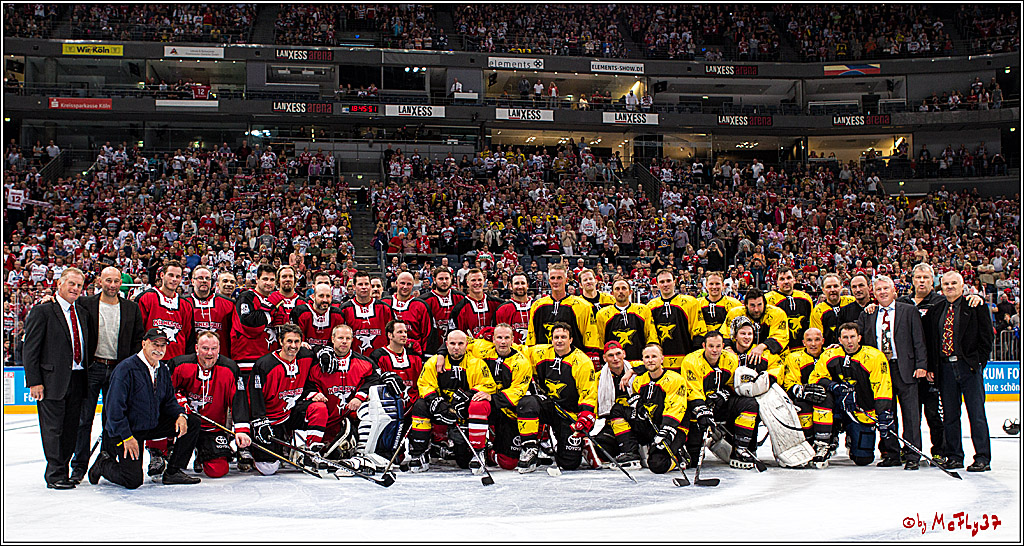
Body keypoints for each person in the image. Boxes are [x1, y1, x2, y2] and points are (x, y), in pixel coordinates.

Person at [88, 328, 201, 488]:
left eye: (163, 345)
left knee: (192, 422)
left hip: (150, 424)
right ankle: (104, 463)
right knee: (132, 480)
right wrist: (127, 436)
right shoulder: (126, 369)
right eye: (155, 344)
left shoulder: (162, 369)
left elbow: (169, 400)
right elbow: (113, 411)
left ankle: (173, 471)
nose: (159, 349)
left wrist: (180, 414)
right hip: (126, 431)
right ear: (144, 344)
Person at [898, 262, 983, 464]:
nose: (922, 281)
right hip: (920, 368)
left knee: (951, 413)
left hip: (950, 367)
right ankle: (932, 453)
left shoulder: (945, 303)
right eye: (918, 277)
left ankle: (961, 453)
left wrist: (977, 363)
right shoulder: (906, 303)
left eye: (926, 277)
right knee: (928, 414)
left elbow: (985, 338)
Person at [71, 266, 145, 483]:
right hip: (92, 368)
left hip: (118, 370)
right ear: (99, 281)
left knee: (112, 420)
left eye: (116, 281)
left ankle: (105, 460)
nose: (112, 285)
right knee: (84, 418)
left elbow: (136, 340)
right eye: (108, 280)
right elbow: (63, 307)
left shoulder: (131, 308)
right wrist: (48, 298)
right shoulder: (85, 304)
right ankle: (79, 465)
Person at [23, 268, 90, 489]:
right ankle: (55, 474)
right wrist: (34, 381)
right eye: (71, 284)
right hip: (51, 380)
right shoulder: (43, 311)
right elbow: (31, 349)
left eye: (79, 286)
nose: (75, 289)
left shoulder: (81, 312)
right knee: (53, 428)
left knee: (71, 427)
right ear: (59, 284)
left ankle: (65, 469)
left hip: (78, 377)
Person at [856, 275, 927, 470]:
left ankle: (913, 454)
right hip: (880, 371)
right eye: (878, 290)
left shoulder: (909, 311)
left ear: (894, 290)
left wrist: (922, 365)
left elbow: (919, 340)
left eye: (886, 288)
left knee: (911, 414)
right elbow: (859, 339)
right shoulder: (868, 314)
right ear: (874, 293)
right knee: (886, 414)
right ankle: (891, 453)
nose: (883, 292)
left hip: (905, 368)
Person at [406, 330, 496, 472]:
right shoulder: (434, 362)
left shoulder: (477, 363)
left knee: (463, 462)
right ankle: (419, 453)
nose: (456, 347)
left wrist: (468, 395)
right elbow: (424, 384)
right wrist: (436, 401)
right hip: (441, 409)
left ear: (467, 345)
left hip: (463, 411)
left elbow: (488, 385)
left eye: (460, 344)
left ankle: (476, 452)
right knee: (420, 405)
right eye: (453, 343)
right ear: (446, 344)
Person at [933, 271, 994, 472]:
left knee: (976, 414)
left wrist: (977, 363)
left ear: (962, 286)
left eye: (953, 283)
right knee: (950, 415)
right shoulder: (938, 308)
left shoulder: (975, 306)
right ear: (941, 287)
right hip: (945, 369)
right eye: (946, 284)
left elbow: (986, 338)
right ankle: (954, 456)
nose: (949, 287)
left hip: (967, 367)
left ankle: (982, 457)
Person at [809, 323, 893, 467]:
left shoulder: (874, 356)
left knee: (863, 459)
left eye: (852, 337)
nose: (849, 341)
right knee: (821, 397)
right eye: (845, 337)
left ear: (859, 338)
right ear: (839, 340)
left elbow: (883, 386)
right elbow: (815, 377)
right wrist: (833, 386)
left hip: (861, 410)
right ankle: (828, 439)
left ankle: (852, 438)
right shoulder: (830, 355)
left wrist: (883, 412)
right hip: (836, 408)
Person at [517, 322, 597, 473]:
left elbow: (589, 392)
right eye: (556, 337)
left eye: (563, 337)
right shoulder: (540, 352)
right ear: (551, 339)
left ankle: (583, 443)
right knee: (527, 402)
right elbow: (515, 349)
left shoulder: (582, 362)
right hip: (548, 405)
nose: (559, 340)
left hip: (568, 413)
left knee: (569, 463)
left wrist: (585, 416)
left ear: (571, 340)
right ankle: (530, 449)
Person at [246, 324, 326, 476]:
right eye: (289, 341)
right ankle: (249, 448)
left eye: (297, 342)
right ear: (281, 342)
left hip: (290, 413)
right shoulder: (265, 365)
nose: (293, 346)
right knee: (267, 468)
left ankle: (310, 453)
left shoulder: (305, 356)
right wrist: (259, 420)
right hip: (270, 420)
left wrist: (321, 351)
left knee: (318, 408)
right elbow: (255, 397)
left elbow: (318, 351)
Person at [169, 332, 250, 478]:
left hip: (212, 428)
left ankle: (202, 453)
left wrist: (241, 429)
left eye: (214, 349)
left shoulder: (230, 368)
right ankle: (162, 452)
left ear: (219, 349)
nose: (209, 353)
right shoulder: (179, 365)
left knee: (218, 470)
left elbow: (237, 399)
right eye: (205, 348)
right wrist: (180, 403)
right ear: (196, 348)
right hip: (184, 425)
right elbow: (167, 394)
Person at [302, 324, 378, 464]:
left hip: (348, 417)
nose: (344, 341)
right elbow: (305, 384)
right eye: (340, 338)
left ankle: (362, 453)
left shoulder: (364, 363)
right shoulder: (318, 363)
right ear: (332, 339)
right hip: (324, 418)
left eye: (348, 338)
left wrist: (360, 396)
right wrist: (314, 394)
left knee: (368, 409)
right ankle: (310, 451)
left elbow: (374, 380)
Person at [631, 344, 712, 473]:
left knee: (657, 464)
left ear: (662, 359)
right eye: (647, 357)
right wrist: (637, 405)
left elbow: (676, 407)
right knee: (619, 410)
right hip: (654, 425)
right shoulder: (638, 381)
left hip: (674, 426)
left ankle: (680, 458)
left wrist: (667, 430)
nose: (650, 360)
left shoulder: (675, 379)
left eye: (654, 356)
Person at [680, 331, 755, 468]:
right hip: (697, 408)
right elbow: (692, 391)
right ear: (704, 346)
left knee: (750, 404)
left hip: (721, 405)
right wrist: (702, 411)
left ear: (723, 346)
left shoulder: (731, 359)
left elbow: (735, 386)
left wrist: (724, 394)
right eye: (711, 346)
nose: (714, 350)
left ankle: (740, 448)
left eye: (718, 346)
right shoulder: (691, 361)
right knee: (694, 460)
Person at [781, 327, 833, 466]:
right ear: (803, 342)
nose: (813, 344)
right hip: (803, 399)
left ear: (823, 341)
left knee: (824, 399)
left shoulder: (830, 355)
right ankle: (808, 443)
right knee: (802, 406)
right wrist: (802, 391)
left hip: (828, 400)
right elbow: (790, 383)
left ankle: (823, 444)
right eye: (809, 340)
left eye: (817, 340)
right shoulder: (794, 357)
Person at [527, 262, 599, 361]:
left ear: (566, 280)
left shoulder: (582, 306)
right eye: (553, 278)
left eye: (559, 278)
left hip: (574, 363)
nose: (556, 281)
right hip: (543, 362)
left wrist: (592, 357)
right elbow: (532, 336)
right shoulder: (537, 305)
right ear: (548, 281)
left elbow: (590, 335)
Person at [136, 261, 194, 362]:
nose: (174, 279)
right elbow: (138, 332)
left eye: (177, 276)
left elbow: (188, 335)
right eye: (170, 275)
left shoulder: (186, 305)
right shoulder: (146, 298)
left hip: (177, 362)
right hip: (151, 359)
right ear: (162, 275)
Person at [595, 278, 658, 360]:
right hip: (614, 364)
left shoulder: (643, 310)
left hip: (640, 362)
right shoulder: (602, 314)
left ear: (630, 292)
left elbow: (651, 336)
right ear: (612, 293)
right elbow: (600, 341)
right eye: (617, 289)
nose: (620, 291)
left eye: (624, 288)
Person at [647, 268, 696, 370]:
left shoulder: (690, 303)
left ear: (674, 282)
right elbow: (650, 336)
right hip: (660, 363)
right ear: (657, 284)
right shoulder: (650, 306)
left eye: (668, 281)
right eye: (662, 282)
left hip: (685, 361)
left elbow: (697, 332)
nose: (665, 284)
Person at [721, 288, 788, 361]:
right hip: (738, 355)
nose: (756, 309)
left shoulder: (777, 313)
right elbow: (725, 333)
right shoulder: (735, 313)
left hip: (770, 357)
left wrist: (761, 347)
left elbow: (781, 336)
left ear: (764, 303)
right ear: (746, 305)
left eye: (759, 305)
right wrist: (728, 349)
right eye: (752, 305)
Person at [338, 271, 395, 355]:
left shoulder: (384, 308)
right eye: (360, 284)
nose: (364, 287)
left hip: (381, 359)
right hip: (355, 360)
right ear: (354, 287)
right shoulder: (344, 309)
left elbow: (393, 335)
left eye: (366, 284)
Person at [765, 267, 815, 353]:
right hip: (780, 351)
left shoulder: (806, 298)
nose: (786, 282)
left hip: (803, 350)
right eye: (782, 279)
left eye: (789, 278)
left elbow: (811, 324)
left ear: (794, 280)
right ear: (776, 282)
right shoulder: (768, 299)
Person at [383, 271, 433, 354]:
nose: (405, 287)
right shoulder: (385, 303)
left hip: (413, 354)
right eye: (402, 283)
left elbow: (427, 334)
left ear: (413, 285)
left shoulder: (421, 306)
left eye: (409, 284)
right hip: (388, 353)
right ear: (396, 283)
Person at [189, 265, 234, 357]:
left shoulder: (229, 304)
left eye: (207, 278)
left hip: (221, 357)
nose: (204, 281)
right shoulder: (184, 303)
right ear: (192, 281)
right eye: (200, 278)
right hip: (192, 358)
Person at [688, 271, 741, 346]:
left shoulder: (734, 304)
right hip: (702, 345)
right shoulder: (697, 304)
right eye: (711, 284)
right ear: (706, 285)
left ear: (723, 285)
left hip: (726, 345)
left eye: (717, 284)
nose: (714, 287)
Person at [449, 268, 504, 339]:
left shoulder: (497, 304)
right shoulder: (458, 309)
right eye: (473, 280)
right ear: (467, 282)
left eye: (480, 280)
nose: (477, 283)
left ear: (484, 281)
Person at [421, 267, 465, 355]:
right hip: (431, 350)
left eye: (447, 278)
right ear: (434, 279)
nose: (444, 281)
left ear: (451, 279)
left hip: (457, 351)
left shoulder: (461, 298)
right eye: (441, 279)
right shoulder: (424, 300)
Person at [291, 283, 345, 352]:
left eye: (328, 296)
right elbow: (296, 337)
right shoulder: (300, 312)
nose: (325, 300)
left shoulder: (337, 315)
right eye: (321, 296)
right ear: (313, 297)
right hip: (306, 353)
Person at [810, 273, 855, 346]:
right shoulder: (818, 310)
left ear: (841, 287)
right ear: (823, 290)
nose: (832, 290)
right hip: (829, 351)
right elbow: (817, 337)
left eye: (835, 286)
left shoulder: (852, 301)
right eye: (828, 287)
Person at [494, 273, 534, 344]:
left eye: (523, 283)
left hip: (534, 352)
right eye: (516, 283)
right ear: (510, 286)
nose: (520, 286)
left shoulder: (537, 306)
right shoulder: (502, 309)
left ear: (527, 285)